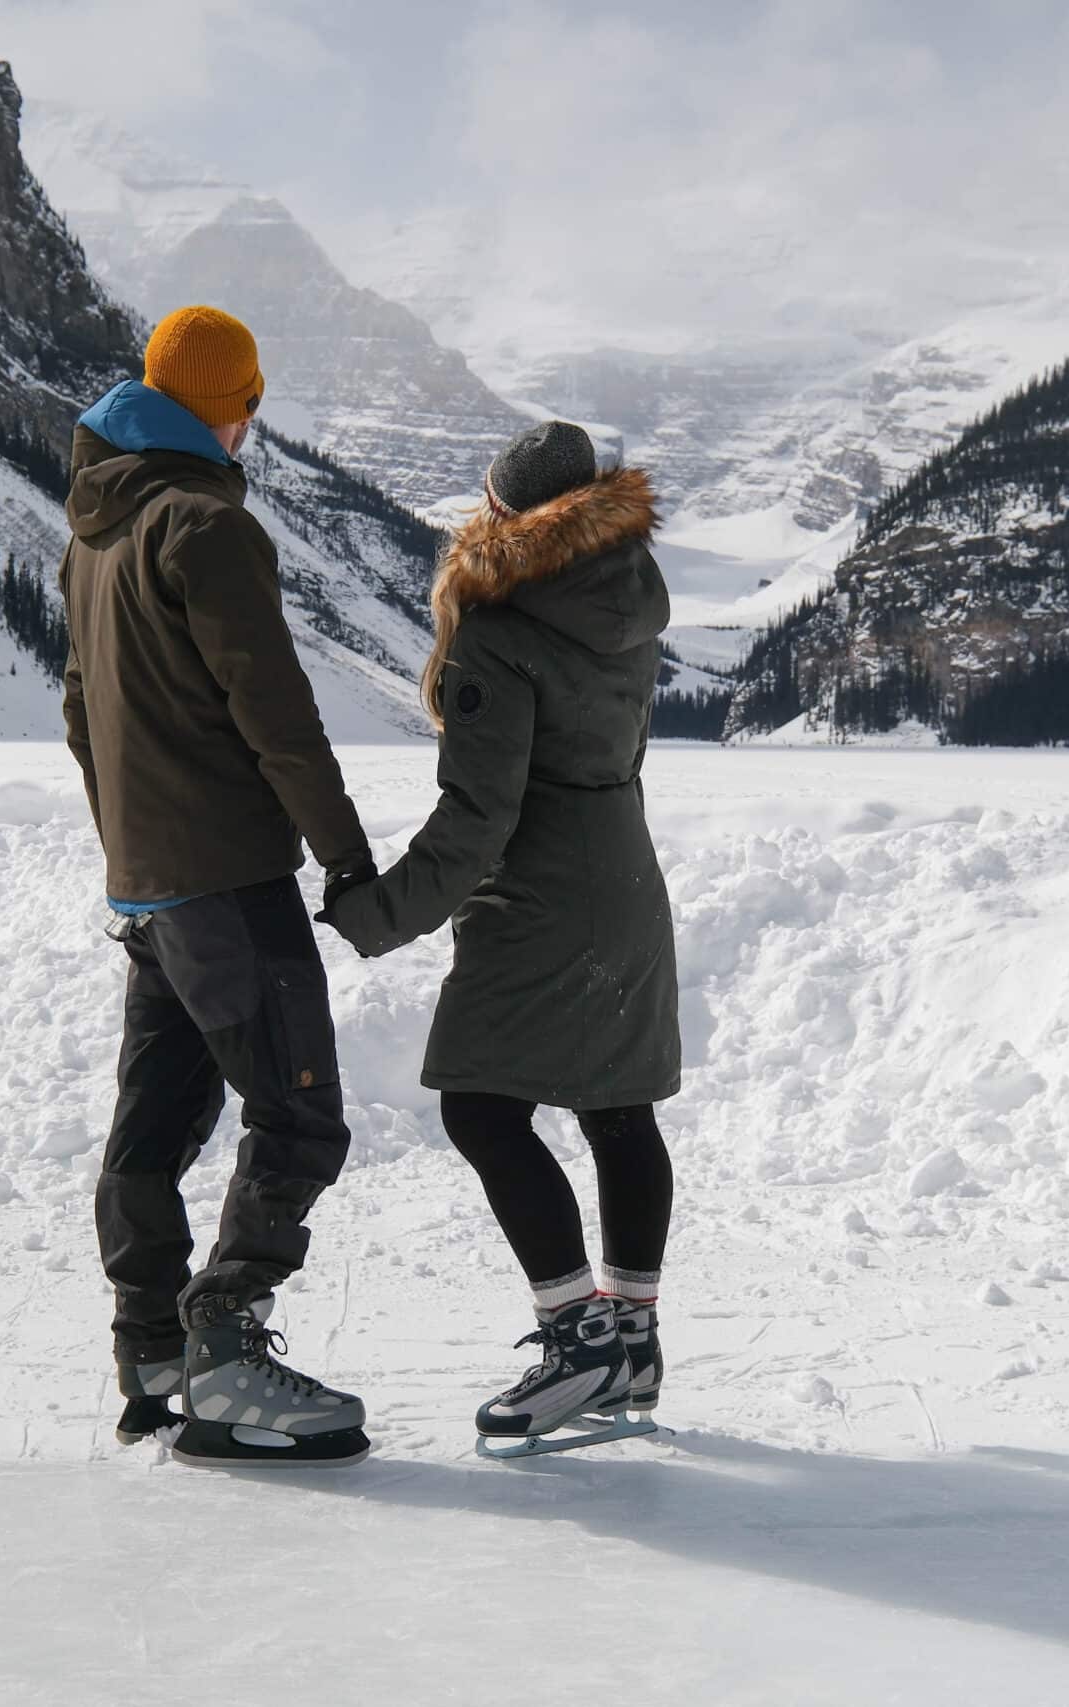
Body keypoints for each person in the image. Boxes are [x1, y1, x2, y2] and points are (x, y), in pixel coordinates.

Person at [60, 305, 378, 1467]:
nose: (251, 427)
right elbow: (275, 715)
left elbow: (78, 715)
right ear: (228, 407)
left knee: (152, 1127)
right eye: (248, 407)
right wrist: (342, 854)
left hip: (149, 885)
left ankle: (149, 1350)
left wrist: (127, 856)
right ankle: (225, 1348)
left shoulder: (95, 530)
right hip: (229, 880)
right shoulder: (203, 527)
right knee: (298, 1117)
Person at [327, 421, 682, 1445]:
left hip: (538, 895)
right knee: (617, 1109)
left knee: (482, 1109)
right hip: (622, 870)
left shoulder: (501, 630)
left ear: (505, 516)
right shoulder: (627, 593)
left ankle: (578, 1339)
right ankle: (629, 1343)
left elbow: (478, 821)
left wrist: (373, 910)